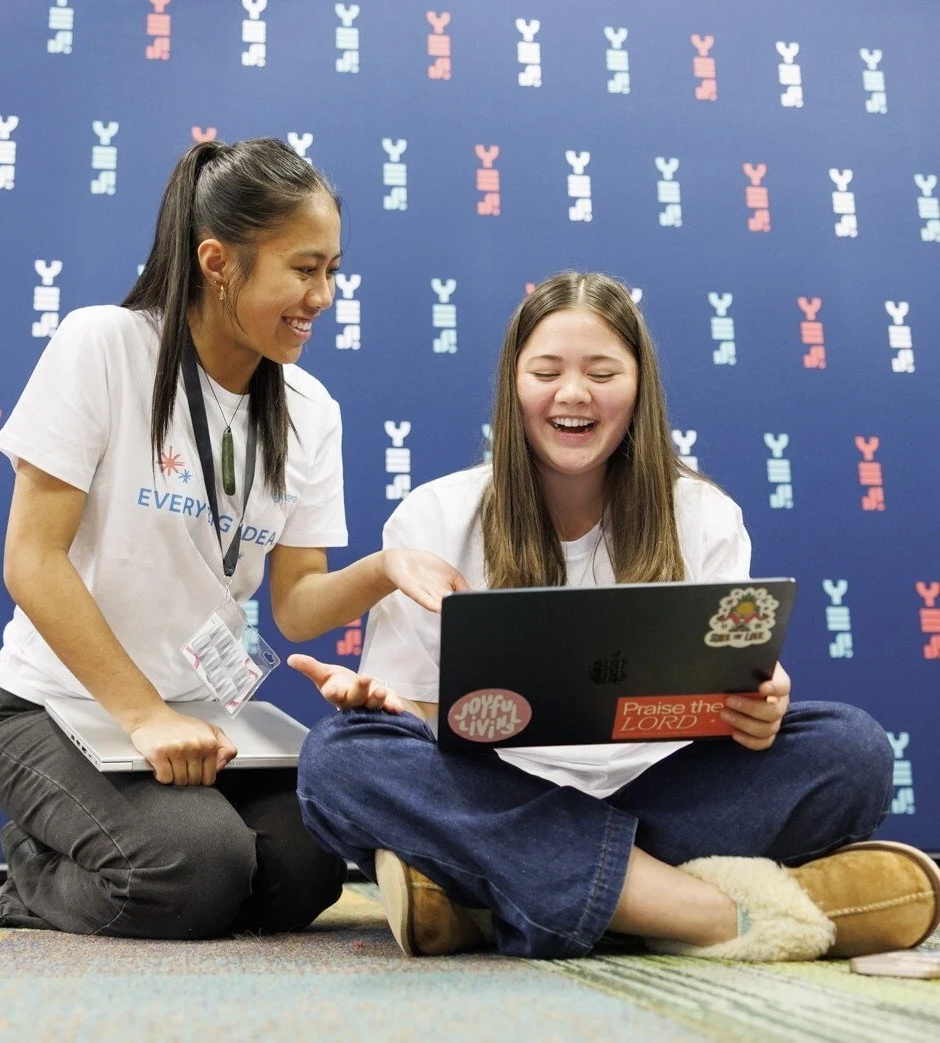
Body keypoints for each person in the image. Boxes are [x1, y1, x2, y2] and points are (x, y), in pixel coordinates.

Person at [290, 271, 940, 961]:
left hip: (658, 794)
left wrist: (760, 707)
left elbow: (732, 695)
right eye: (546, 372)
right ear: (514, 385)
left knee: (853, 750)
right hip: (494, 789)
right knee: (341, 757)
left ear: (639, 388)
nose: (573, 394)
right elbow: (419, 720)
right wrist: (384, 707)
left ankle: (492, 901)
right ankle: (706, 911)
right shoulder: (436, 516)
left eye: (602, 373)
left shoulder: (704, 515)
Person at [0, 137, 465, 939]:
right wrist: (143, 717)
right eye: (304, 269)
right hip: (53, 709)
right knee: (195, 872)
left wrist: (386, 566)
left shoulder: (310, 409)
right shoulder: (104, 346)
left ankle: (146, 841)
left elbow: (297, 605)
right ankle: (33, 872)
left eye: (333, 271)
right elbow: (32, 561)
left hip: (203, 720)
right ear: (218, 262)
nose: (323, 296)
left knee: (305, 867)